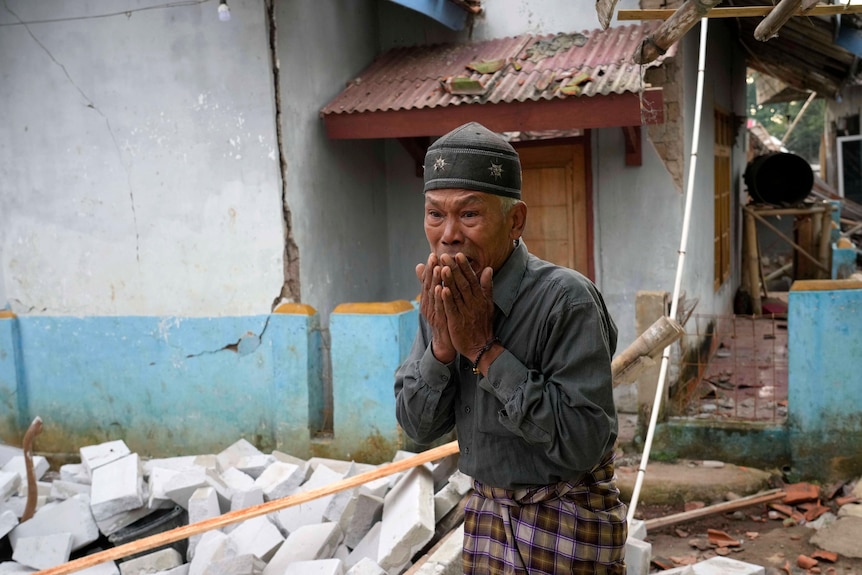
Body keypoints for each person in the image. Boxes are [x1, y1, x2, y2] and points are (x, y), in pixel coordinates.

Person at [394, 121, 627, 574]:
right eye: (435, 214)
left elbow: (581, 444)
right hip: (487, 519)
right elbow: (415, 429)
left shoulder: (566, 300)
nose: (449, 234)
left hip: (568, 523)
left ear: (515, 220)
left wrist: (484, 349)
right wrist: (442, 346)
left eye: (469, 214)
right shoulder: (443, 297)